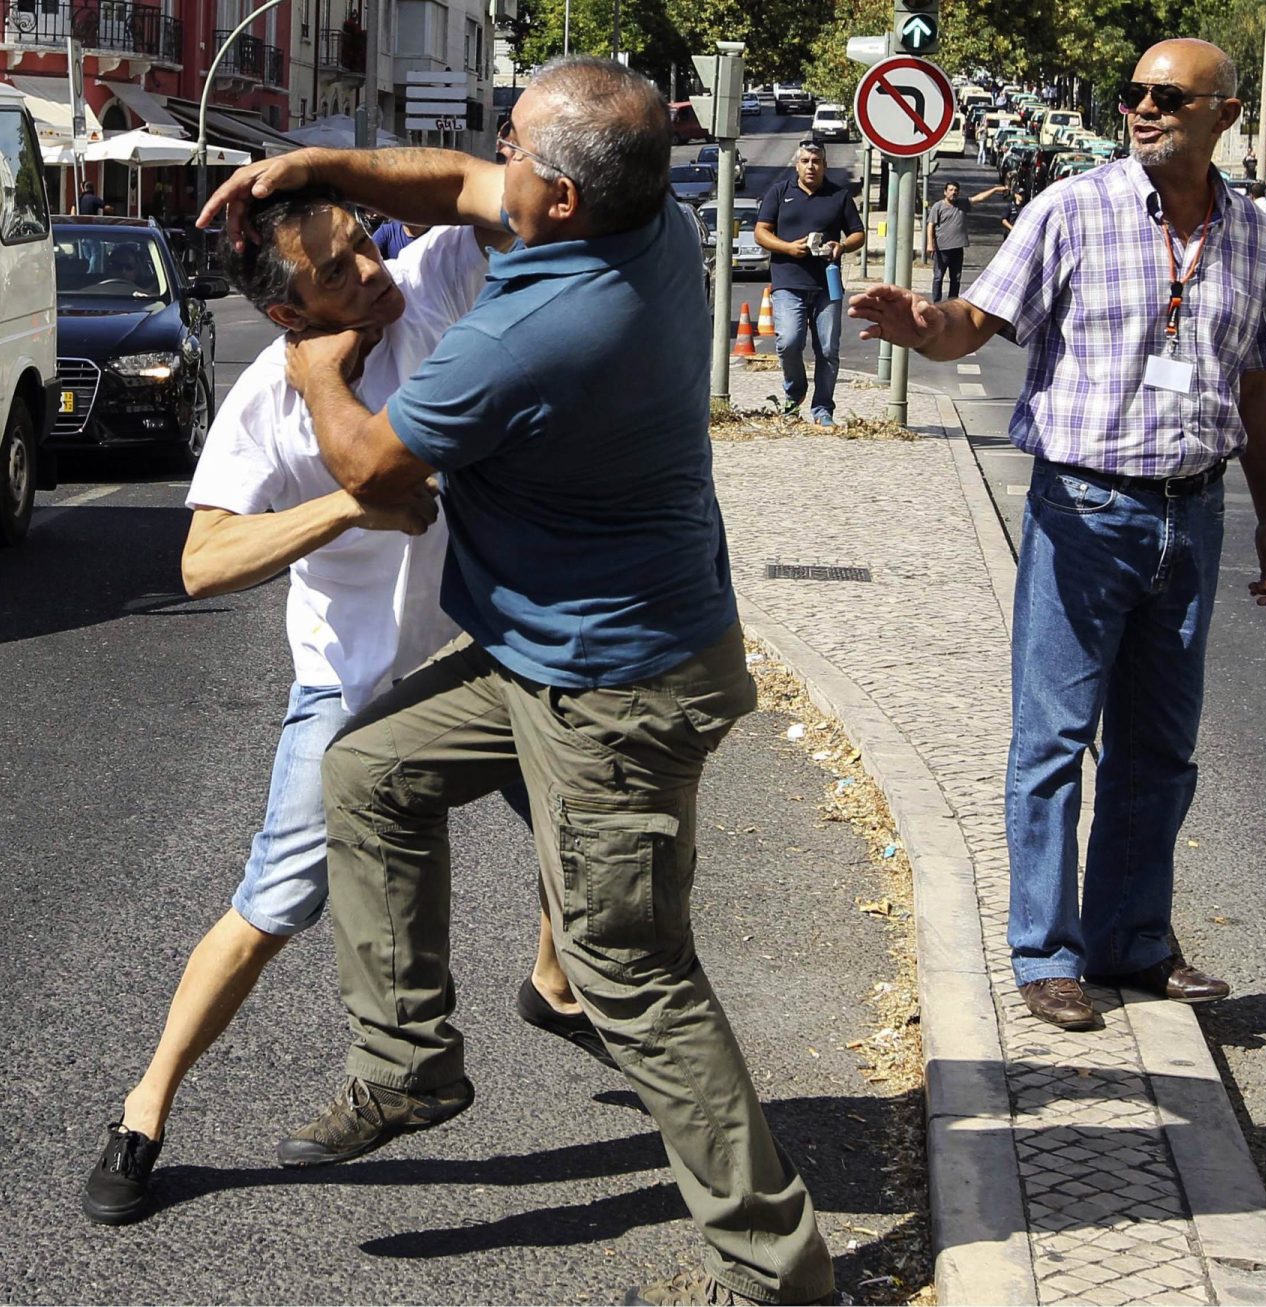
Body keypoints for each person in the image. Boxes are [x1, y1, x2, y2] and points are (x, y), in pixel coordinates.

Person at [200, 55, 834, 1307]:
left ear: (554, 200)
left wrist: (320, 366)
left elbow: (379, 476)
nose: (492, 162)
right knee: (367, 767)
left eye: (515, 154)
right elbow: (452, 183)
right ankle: (411, 1061)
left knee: (635, 973)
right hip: (546, 647)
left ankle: (779, 1270)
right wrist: (318, 166)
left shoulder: (529, 331)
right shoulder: (653, 217)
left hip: (617, 688)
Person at [79, 190, 551, 1227]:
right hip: (356, 680)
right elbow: (203, 561)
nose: (371, 274)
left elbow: (495, 197)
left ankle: (552, 979)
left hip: (486, 646)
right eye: (336, 271)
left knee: (590, 817)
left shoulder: (420, 287)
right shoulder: (266, 398)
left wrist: (346, 167)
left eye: (362, 246)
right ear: (289, 312)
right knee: (272, 906)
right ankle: (144, 1107)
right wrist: (346, 502)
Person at [847, 38, 1266, 1033]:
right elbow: (978, 319)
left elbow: (1257, 382)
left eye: (1167, 96)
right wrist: (924, 324)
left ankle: (1132, 941)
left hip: (1195, 509)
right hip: (1085, 509)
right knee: (1053, 740)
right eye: (1131, 93)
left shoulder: (1257, 232)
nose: (1141, 109)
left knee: (1161, 746)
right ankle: (1048, 954)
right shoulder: (1070, 209)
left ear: (1224, 112)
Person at [753, 138, 866, 427]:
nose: (811, 167)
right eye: (805, 161)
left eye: (816, 162)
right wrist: (788, 248)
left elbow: (858, 233)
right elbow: (761, 232)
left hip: (827, 285)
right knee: (789, 341)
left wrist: (842, 247)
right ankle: (795, 392)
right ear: (797, 164)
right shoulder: (779, 192)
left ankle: (822, 408)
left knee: (828, 349)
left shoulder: (839, 195)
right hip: (788, 282)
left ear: (825, 165)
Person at [925, 178, 1010, 301]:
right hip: (942, 249)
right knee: (938, 277)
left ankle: (952, 302)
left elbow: (979, 198)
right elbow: (930, 225)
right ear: (945, 192)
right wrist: (929, 244)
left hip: (957, 248)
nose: (953, 192)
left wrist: (995, 189)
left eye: (956, 190)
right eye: (950, 190)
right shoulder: (938, 207)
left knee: (956, 278)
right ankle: (936, 302)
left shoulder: (963, 203)